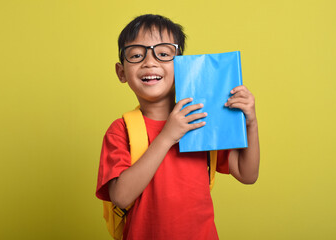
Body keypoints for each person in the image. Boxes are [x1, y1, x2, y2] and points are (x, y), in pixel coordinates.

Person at [96, 14, 260, 240]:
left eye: (163, 54)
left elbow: (247, 173)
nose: (150, 62)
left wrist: (250, 123)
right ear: (121, 72)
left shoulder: (202, 118)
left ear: (182, 66)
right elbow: (121, 197)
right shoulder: (121, 130)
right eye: (136, 55)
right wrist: (167, 136)